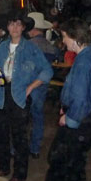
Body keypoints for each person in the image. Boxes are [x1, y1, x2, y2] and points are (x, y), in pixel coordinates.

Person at [38, 18, 91, 181]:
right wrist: (65, 106)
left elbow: (82, 98)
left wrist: (70, 118)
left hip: (83, 119)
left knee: (74, 166)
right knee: (57, 156)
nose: (63, 41)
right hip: (88, 115)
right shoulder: (89, 56)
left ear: (75, 38)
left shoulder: (84, 62)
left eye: (65, 37)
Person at [0, 12, 53, 181]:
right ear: (7, 27)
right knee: (1, 133)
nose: (15, 27)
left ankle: (20, 173)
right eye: (12, 24)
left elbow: (47, 71)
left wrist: (31, 87)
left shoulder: (31, 49)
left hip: (20, 96)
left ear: (24, 27)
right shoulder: (2, 47)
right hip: (1, 95)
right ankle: (3, 167)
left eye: (18, 24)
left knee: (19, 137)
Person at [26, 12, 59, 159]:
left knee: (22, 118)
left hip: (28, 86)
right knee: (38, 116)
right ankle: (35, 148)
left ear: (32, 29)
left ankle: (17, 149)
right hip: (42, 85)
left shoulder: (28, 46)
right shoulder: (49, 46)